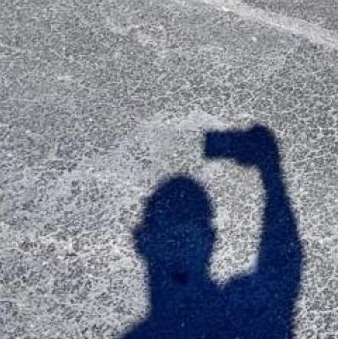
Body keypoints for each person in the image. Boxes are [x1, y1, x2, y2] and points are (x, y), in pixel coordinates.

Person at [122, 125, 302, 338]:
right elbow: (283, 266)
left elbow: (283, 267)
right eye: (178, 236)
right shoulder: (241, 316)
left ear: (142, 242)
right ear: (211, 239)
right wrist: (271, 174)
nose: (179, 243)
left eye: (182, 236)